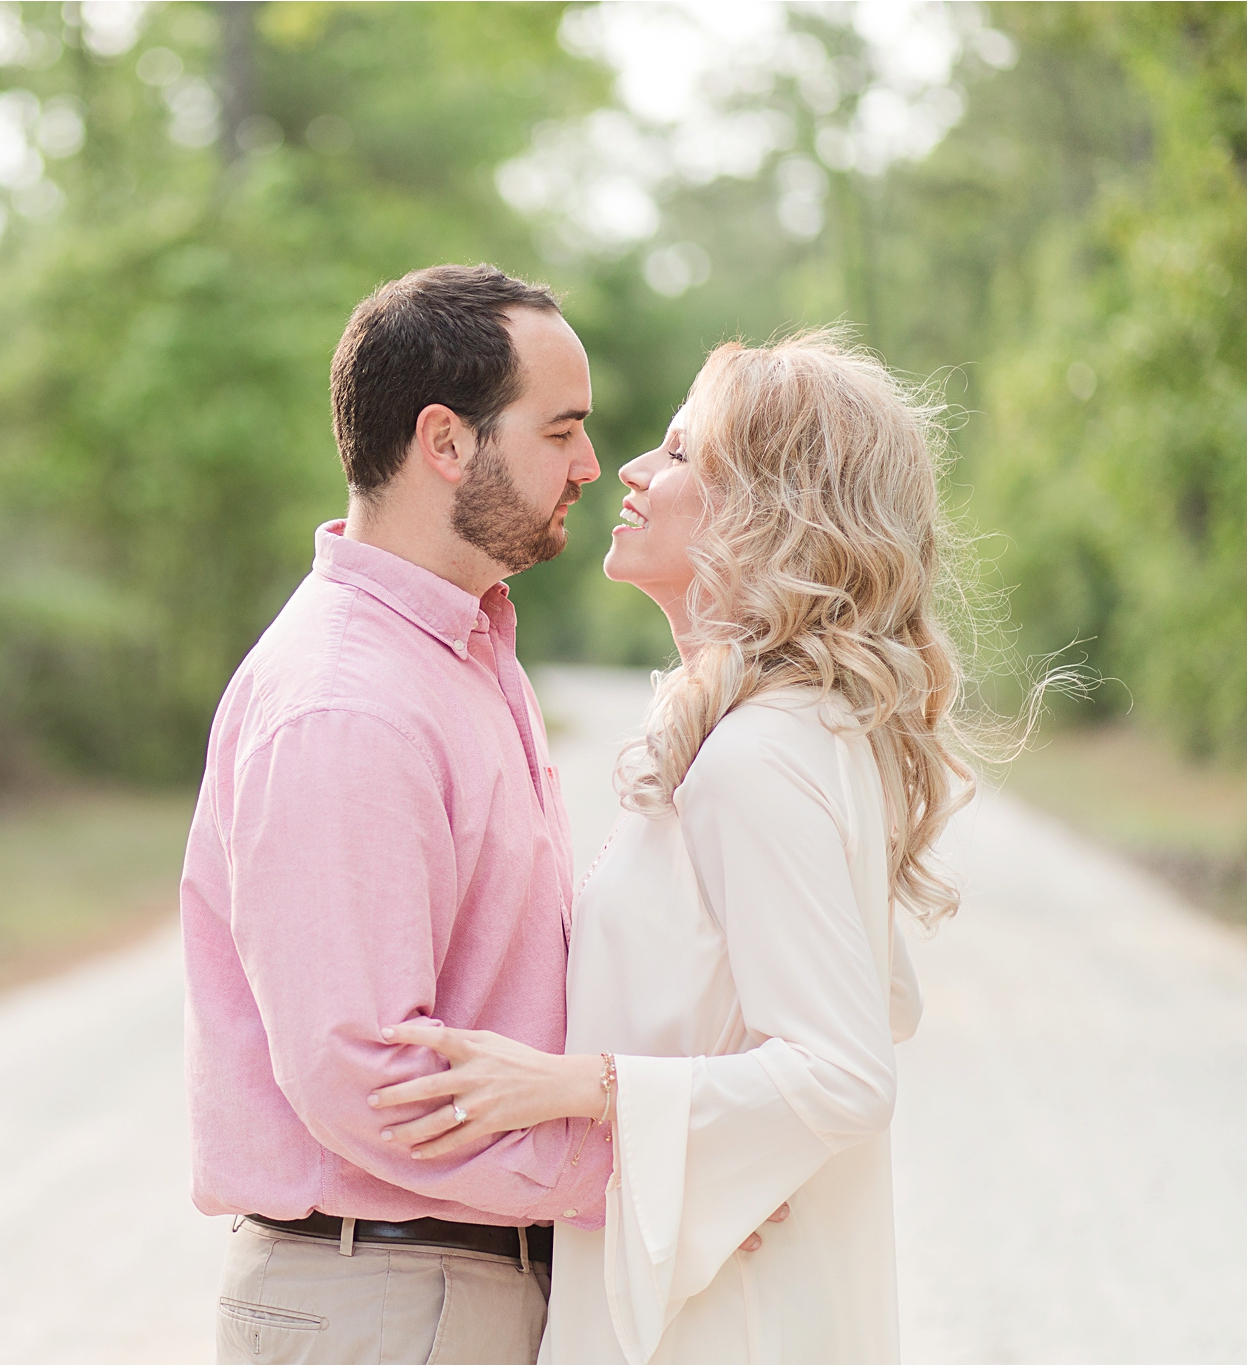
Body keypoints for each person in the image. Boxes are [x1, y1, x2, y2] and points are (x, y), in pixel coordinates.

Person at [371, 329, 970, 1364]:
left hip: (726, 1321)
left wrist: (581, 1085)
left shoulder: (760, 755)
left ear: (774, 510)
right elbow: (878, 993)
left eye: (684, 453)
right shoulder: (792, 730)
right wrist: (717, 1132)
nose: (631, 471)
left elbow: (842, 1072)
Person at [180, 264, 612, 1365]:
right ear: (445, 441)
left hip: (438, 1291)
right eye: (560, 430)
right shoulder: (346, 704)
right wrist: (631, 1169)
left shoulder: (464, 654)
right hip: (381, 1301)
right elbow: (365, 1077)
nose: (589, 466)